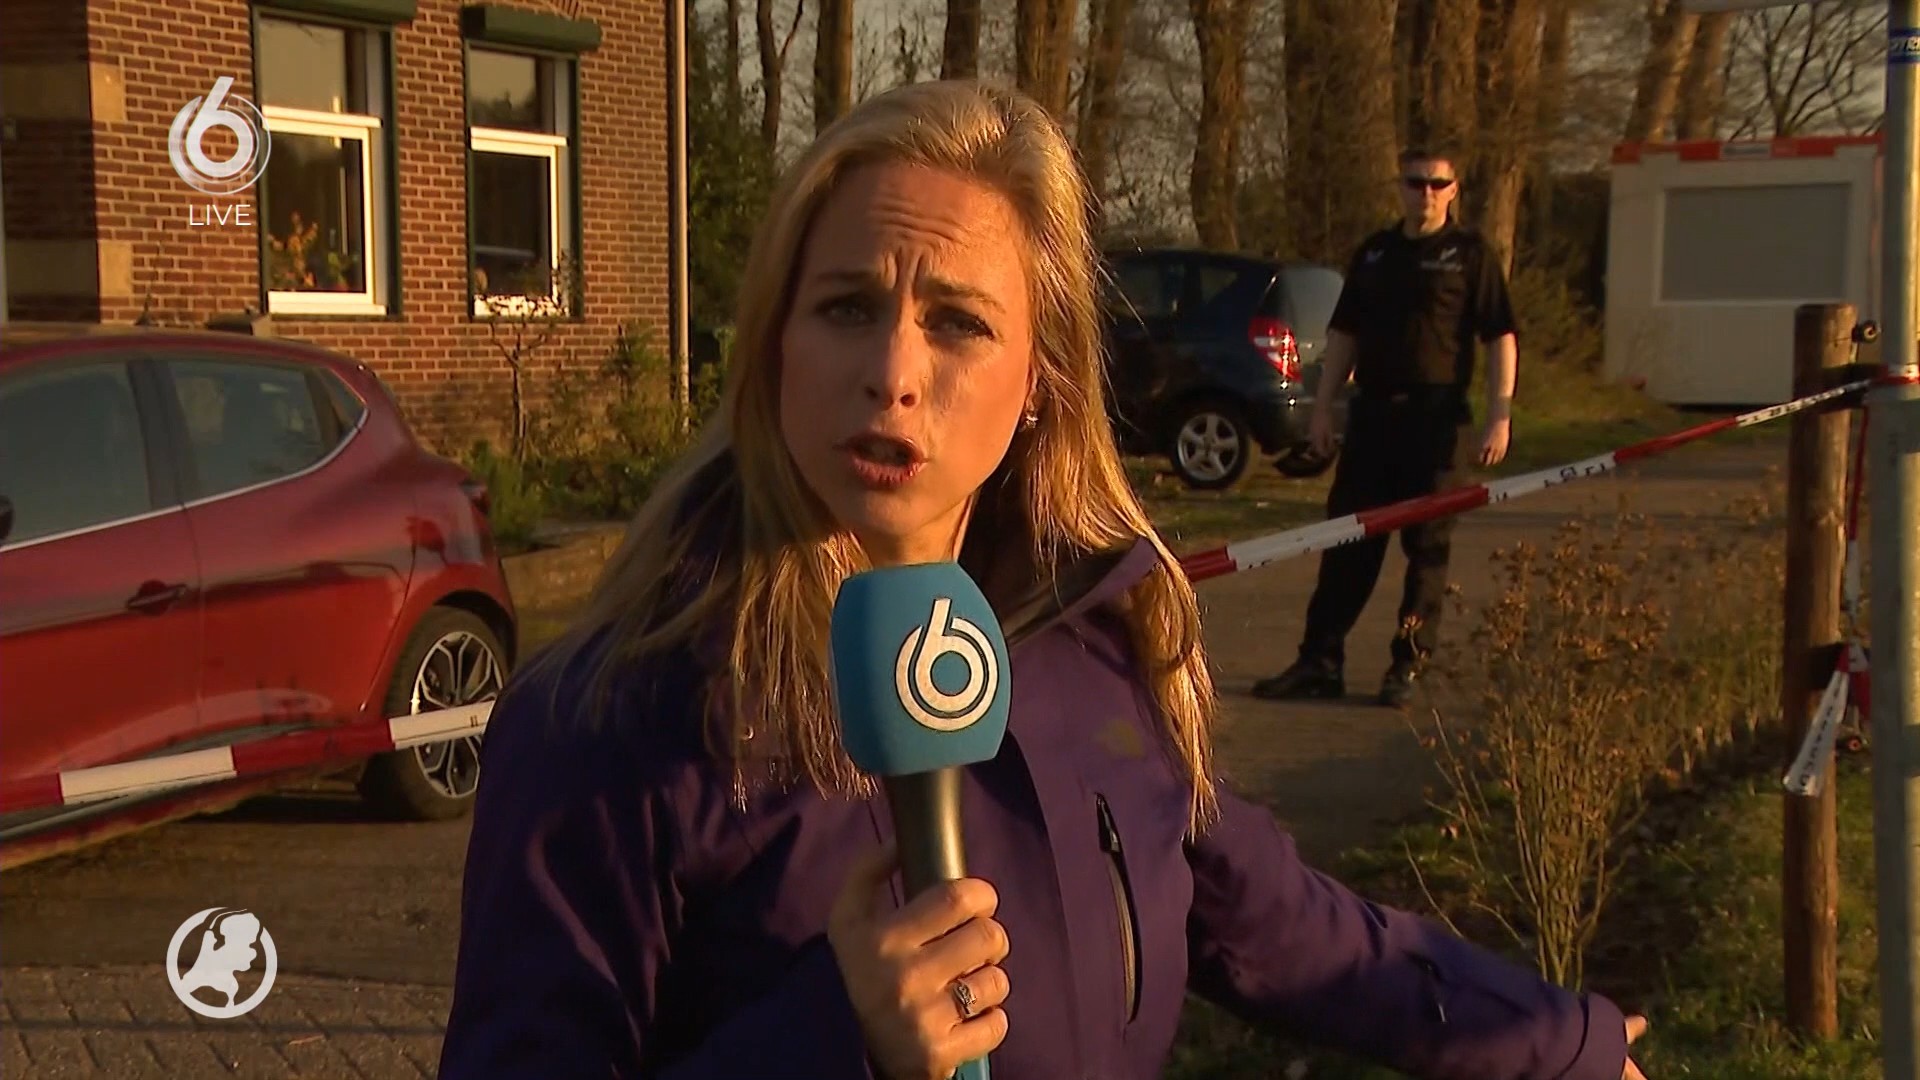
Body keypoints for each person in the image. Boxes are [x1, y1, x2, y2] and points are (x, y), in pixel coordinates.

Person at [436, 82, 1646, 1080]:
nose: (893, 371)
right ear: (772, 348)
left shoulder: (1102, 645)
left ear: (1039, 385)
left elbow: (1294, 927)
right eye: (847, 307)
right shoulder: (607, 719)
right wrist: (833, 1041)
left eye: (958, 322)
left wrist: (1562, 1044)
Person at [1253, 146, 1520, 709]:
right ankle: (1319, 662)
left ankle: (1409, 665)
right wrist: (1323, 408)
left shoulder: (1469, 255)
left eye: (1437, 184)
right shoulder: (1375, 253)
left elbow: (1500, 336)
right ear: (1399, 187)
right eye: (1415, 182)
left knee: (1427, 549)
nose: (1426, 194)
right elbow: (1344, 335)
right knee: (1347, 542)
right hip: (1373, 417)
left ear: (1453, 191)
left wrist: (1501, 413)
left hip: (1437, 420)